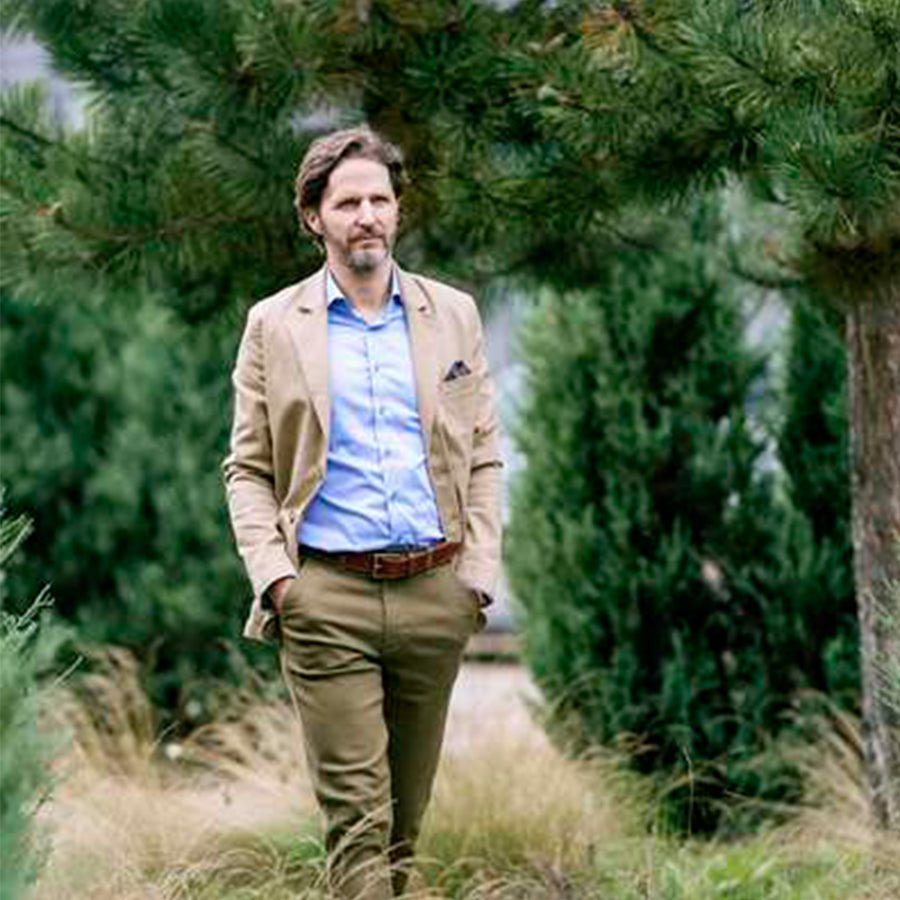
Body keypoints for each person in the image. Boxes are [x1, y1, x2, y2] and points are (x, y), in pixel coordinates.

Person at [222, 126, 503, 899]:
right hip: (327, 599)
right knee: (357, 820)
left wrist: (475, 576)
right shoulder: (274, 324)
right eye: (347, 203)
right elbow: (247, 469)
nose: (367, 216)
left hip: (435, 593)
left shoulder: (454, 315)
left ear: (398, 209)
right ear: (314, 217)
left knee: (404, 823)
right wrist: (279, 582)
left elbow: (483, 454)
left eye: (380, 199)